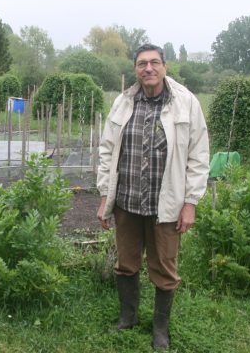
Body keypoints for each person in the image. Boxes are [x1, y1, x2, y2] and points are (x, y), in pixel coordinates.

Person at [96, 43, 209, 350]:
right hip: (127, 202)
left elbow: (198, 156)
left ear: (164, 67)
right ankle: (128, 317)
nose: (148, 68)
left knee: (164, 269)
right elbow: (107, 151)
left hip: (166, 205)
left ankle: (160, 329)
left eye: (154, 62)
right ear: (135, 68)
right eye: (142, 63)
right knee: (126, 263)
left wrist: (190, 203)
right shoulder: (123, 102)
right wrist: (106, 194)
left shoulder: (185, 103)